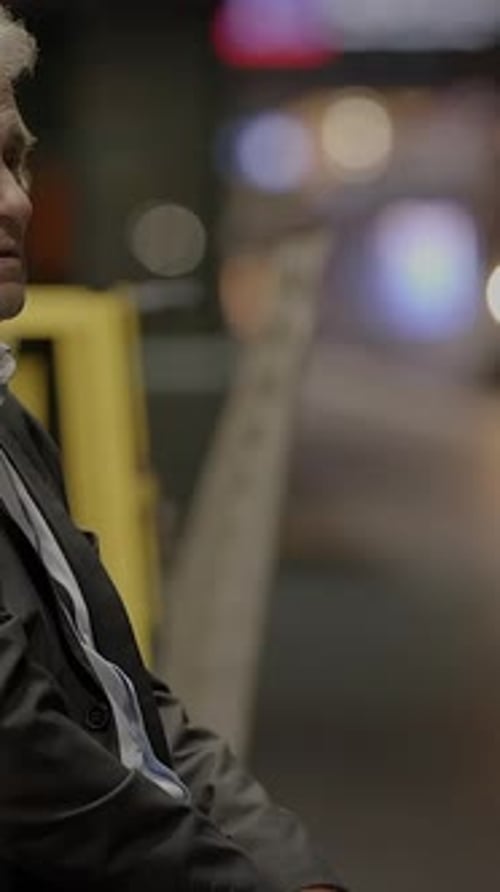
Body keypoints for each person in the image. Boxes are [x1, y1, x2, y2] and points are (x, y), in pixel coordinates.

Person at [0, 8, 347, 892]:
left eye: (13, 158)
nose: (15, 200)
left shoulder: (9, 421)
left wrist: (288, 866)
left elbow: (127, 692)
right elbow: (25, 767)